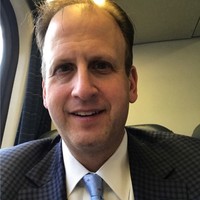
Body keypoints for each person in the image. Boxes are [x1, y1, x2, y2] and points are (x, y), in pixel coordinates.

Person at [0, 0, 200, 199]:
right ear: (44, 92)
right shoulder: (4, 177)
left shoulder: (194, 166)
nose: (83, 90)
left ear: (131, 84)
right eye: (64, 68)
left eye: (101, 66)